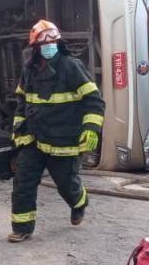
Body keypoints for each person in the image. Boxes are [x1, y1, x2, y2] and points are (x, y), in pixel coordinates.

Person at [7, 20, 106, 243]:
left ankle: (79, 202)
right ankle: (22, 227)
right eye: (45, 43)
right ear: (35, 47)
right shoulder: (29, 70)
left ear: (58, 44)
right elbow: (22, 101)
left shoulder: (71, 67)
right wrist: (19, 132)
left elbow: (94, 100)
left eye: (53, 42)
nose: (49, 46)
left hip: (64, 139)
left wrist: (91, 128)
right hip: (34, 138)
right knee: (23, 182)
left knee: (65, 184)